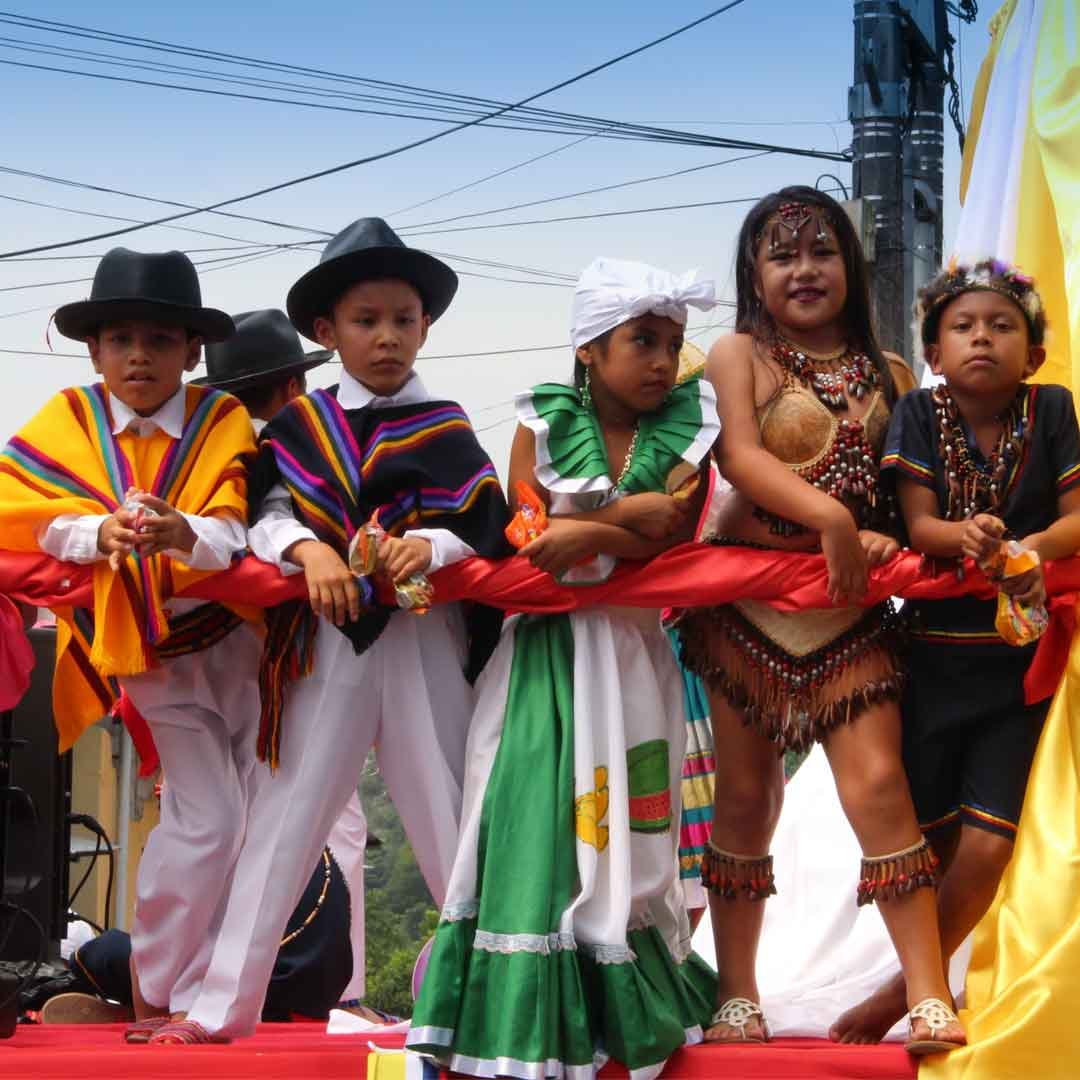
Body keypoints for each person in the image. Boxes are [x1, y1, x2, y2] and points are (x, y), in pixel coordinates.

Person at [152, 218, 511, 1045]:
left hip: (423, 635)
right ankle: (218, 1010)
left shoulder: (447, 424)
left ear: (426, 327)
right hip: (325, 638)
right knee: (282, 820)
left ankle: (501, 998)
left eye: (403, 320)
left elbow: (484, 524)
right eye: (365, 320)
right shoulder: (299, 428)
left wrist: (433, 544)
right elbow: (264, 514)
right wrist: (306, 549)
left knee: (455, 819)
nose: (387, 337)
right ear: (327, 331)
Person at [407, 256, 720, 1079]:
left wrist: (590, 531)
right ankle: (517, 1024)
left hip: (632, 651)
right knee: (525, 817)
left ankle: (620, 1011)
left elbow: (673, 535)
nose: (663, 361)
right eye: (642, 341)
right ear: (588, 348)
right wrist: (623, 522)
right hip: (542, 649)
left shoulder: (691, 425)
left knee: (632, 837)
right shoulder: (540, 421)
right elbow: (530, 536)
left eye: (673, 343)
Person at [674, 186, 965, 1054]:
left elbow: (908, 495)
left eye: (822, 251)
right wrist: (833, 520)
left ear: (852, 265)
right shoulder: (736, 355)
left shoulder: (894, 374)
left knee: (880, 791)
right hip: (745, 616)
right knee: (746, 800)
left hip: (851, 618)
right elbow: (741, 457)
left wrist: (884, 532)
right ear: (753, 273)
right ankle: (737, 996)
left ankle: (928, 994)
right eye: (783, 255)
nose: (804, 270)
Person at [0, 247, 259, 1043]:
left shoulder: (222, 419)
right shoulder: (67, 419)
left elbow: (234, 525)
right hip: (150, 651)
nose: (139, 356)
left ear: (193, 350)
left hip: (245, 648)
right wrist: (94, 532)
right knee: (210, 819)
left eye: (160, 339)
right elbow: (18, 508)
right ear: (94, 351)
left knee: (248, 821)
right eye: (120, 339)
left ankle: (204, 989)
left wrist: (184, 533)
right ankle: (157, 985)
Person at [832, 258, 1080, 1043]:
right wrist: (965, 536)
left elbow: (1078, 519)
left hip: (1021, 667)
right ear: (935, 353)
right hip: (930, 663)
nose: (982, 338)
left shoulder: (1053, 409)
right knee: (930, 846)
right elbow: (918, 527)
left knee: (991, 845)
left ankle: (905, 993)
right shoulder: (918, 411)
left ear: (1033, 355)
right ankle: (933, 987)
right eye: (963, 327)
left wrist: (1027, 550)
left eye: (1002, 326)